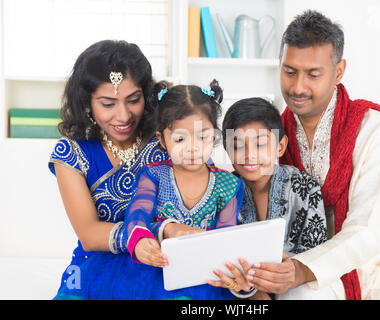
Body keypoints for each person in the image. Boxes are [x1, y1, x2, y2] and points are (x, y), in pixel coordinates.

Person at [236, 10, 380, 300]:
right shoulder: (273, 137)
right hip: (314, 264)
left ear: (338, 71)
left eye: (313, 74)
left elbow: (367, 228)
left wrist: (300, 269)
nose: (298, 86)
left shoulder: (377, 129)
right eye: (289, 72)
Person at [56, 79, 245, 299]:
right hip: (156, 261)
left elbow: (225, 236)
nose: (193, 147)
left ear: (214, 136)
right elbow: (137, 214)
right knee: (109, 283)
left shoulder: (228, 185)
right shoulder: (153, 174)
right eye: (180, 138)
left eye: (203, 137)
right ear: (162, 140)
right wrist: (140, 240)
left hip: (198, 268)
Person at [49, 40, 170, 299]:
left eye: (133, 100)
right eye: (108, 104)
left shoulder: (166, 137)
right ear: (87, 103)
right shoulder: (71, 152)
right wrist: (142, 238)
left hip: (164, 259)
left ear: (146, 96)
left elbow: (206, 185)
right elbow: (90, 234)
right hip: (97, 264)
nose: (124, 116)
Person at [207, 97, 328, 299]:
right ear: (227, 150)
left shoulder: (305, 188)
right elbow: (220, 258)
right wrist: (250, 290)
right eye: (237, 146)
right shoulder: (222, 190)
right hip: (239, 291)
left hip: (293, 287)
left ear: (280, 147)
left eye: (260, 145)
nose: (249, 155)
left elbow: (316, 255)